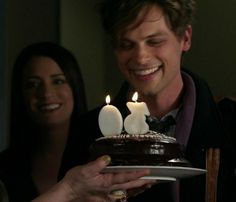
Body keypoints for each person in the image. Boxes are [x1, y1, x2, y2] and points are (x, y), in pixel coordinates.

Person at [59, 0, 236, 202]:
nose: (141, 58)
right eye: (126, 45)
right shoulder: (87, 133)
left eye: (154, 41)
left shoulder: (230, 125)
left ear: (185, 38)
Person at [0, 41, 88, 201]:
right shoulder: (4, 169)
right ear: (21, 95)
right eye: (33, 84)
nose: (46, 93)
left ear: (75, 87)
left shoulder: (99, 160)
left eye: (58, 81)